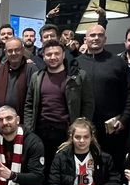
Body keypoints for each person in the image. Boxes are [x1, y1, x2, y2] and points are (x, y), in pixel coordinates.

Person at [23, 39, 94, 168]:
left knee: (65, 168)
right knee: (42, 168)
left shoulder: (78, 76)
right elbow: (29, 104)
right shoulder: (37, 77)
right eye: (49, 54)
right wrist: (29, 129)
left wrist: (82, 127)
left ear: (63, 55)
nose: (53, 57)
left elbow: (88, 104)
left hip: (66, 131)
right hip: (41, 131)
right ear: (43, 56)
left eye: (57, 53)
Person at [80, 24, 130, 170]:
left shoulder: (118, 62)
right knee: (86, 166)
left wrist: (124, 119)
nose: (96, 38)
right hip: (83, 127)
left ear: (105, 39)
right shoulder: (76, 63)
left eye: (100, 35)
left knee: (112, 167)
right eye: (92, 35)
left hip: (112, 128)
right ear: (85, 39)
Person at [0, 37, 37, 115]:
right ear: (5, 52)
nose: (13, 53)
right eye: (10, 51)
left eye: (17, 50)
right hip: (0, 117)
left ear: (22, 50)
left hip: (23, 118)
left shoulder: (32, 69)